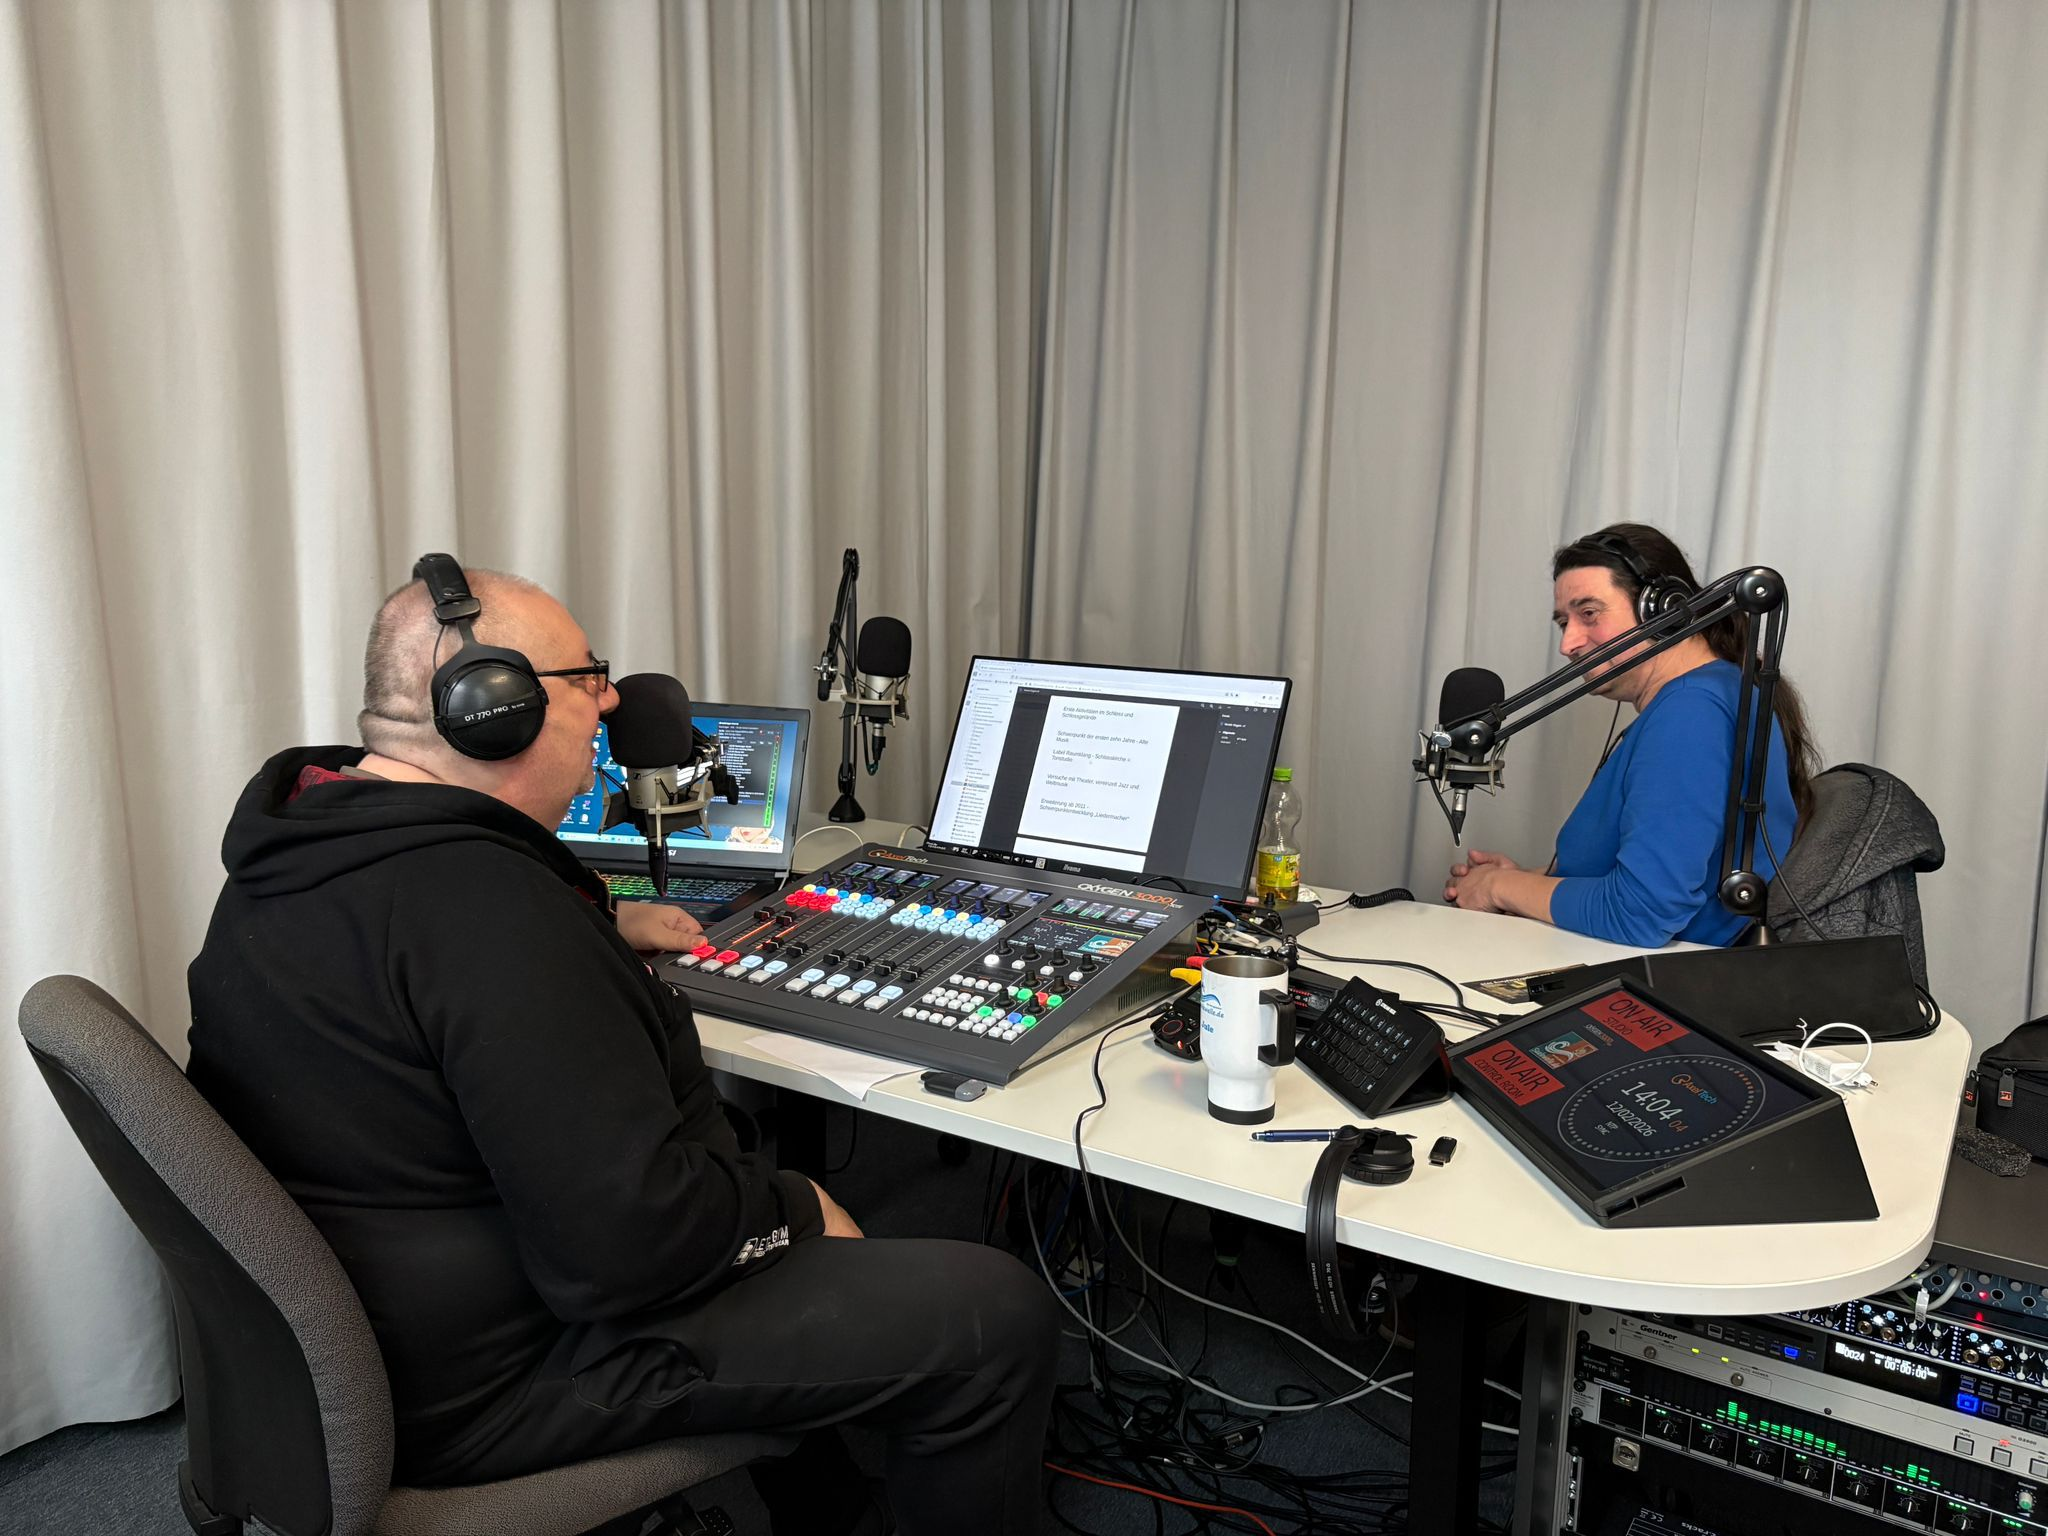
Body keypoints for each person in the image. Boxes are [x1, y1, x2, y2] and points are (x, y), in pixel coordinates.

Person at [186, 559, 1058, 1536]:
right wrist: (790, 1208)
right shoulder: (489, 918)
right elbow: (626, 1254)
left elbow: (425, 975)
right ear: (495, 711)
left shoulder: (306, 843)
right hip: (501, 1377)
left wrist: (594, 925)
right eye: (585, 676)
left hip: (374, 1332)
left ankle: (830, 1504)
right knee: (994, 1315)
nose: (609, 701)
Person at [1443, 523, 1819, 948]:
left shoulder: (1690, 713)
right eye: (1564, 622)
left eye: (1589, 613)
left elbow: (1642, 914)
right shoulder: (1707, 695)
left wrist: (1499, 888)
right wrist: (1526, 881)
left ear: (1661, 608)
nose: (1568, 643)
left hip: (1662, 973)